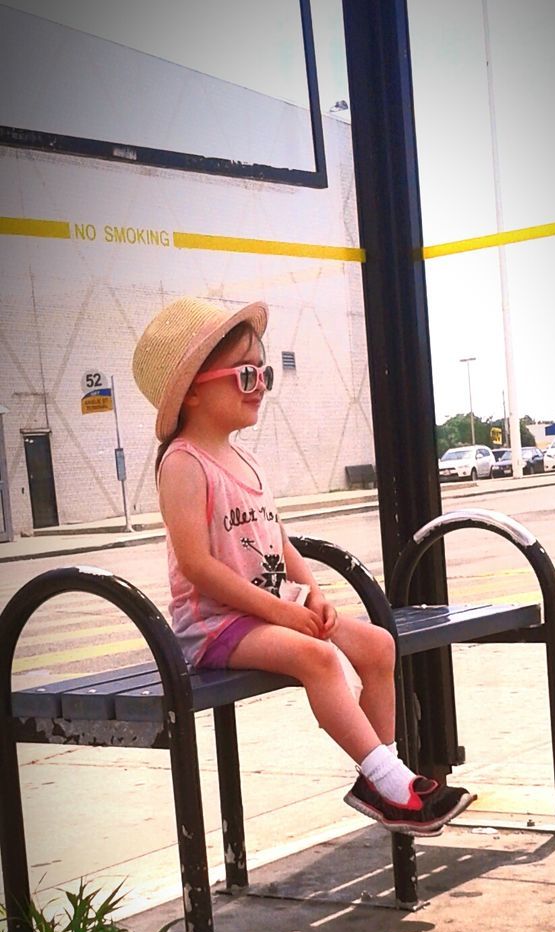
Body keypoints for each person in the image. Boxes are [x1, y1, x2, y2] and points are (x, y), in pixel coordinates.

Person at [133, 296, 474, 835]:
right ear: (194, 390)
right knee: (318, 658)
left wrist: (311, 588)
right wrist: (283, 613)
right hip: (214, 628)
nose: (261, 385)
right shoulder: (182, 463)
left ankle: (380, 780)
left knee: (379, 645)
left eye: (263, 373)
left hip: (268, 614)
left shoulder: (243, 457)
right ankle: (394, 784)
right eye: (246, 375)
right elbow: (198, 567)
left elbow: (278, 540)